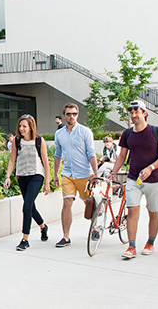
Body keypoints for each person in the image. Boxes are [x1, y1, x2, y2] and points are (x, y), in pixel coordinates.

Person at [108, 101, 158, 260]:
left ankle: (150, 242)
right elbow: (122, 156)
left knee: (153, 212)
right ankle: (131, 246)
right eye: (131, 112)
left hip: (154, 180)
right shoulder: (127, 134)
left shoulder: (157, 132)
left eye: (137, 112)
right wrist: (113, 173)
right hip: (134, 179)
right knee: (132, 211)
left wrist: (150, 168)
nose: (134, 115)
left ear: (144, 113)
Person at [53, 102, 98, 247]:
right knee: (67, 202)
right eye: (68, 114)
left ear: (77, 115)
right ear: (64, 115)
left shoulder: (85, 132)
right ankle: (65, 237)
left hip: (84, 173)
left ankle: (95, 226)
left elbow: (91, 154)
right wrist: (55, 175)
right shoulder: (59, 134)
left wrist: (96, 174)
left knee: (89, 204)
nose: (71, 116)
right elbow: (57, 155)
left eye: (74, 114)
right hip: (68, 174)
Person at [4, 114, 51, 251]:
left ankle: (25, 239)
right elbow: (12, 160)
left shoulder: (39, 140)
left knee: (27, 205)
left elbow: (45, 162)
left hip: (37, 175)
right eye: (20, 126)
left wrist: (47, 183)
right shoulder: (16, 141)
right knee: (30, 206)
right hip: (22, 176)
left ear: (31, 127)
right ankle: (43, 226)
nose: (21, 128)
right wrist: (8, 176)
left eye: (24, 126)